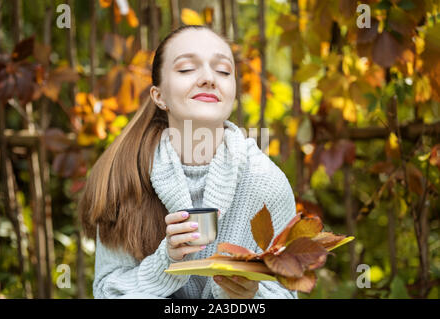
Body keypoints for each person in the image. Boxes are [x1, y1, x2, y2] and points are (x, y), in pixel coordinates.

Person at [78, 24, 298, 299]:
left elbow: (286, 294)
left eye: (223, 71)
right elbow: (106, 292)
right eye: (185, 69)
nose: (209, 78)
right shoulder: (124, 176)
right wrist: (165, 263)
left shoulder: (266, 183)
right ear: (159, 96)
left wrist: (246, 297)